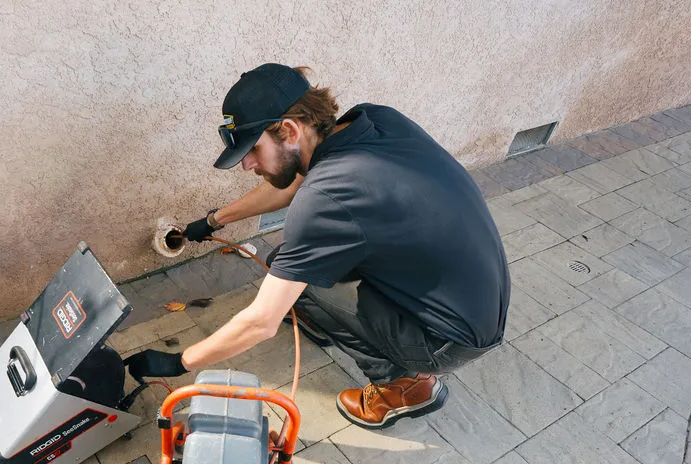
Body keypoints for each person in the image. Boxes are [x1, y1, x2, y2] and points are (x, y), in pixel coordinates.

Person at [125, 63, 509, 430]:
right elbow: (294, 183)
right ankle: (340, 324)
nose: (247, 165)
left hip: (446, 339)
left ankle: (405, 386)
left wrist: (178, 362)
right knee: (286, 263)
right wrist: (212, 221)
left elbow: (262, 321)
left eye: (253, 150)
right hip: (477, 297)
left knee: (294, 286)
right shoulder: (374, 120)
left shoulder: (328, 194)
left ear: (290, 131)